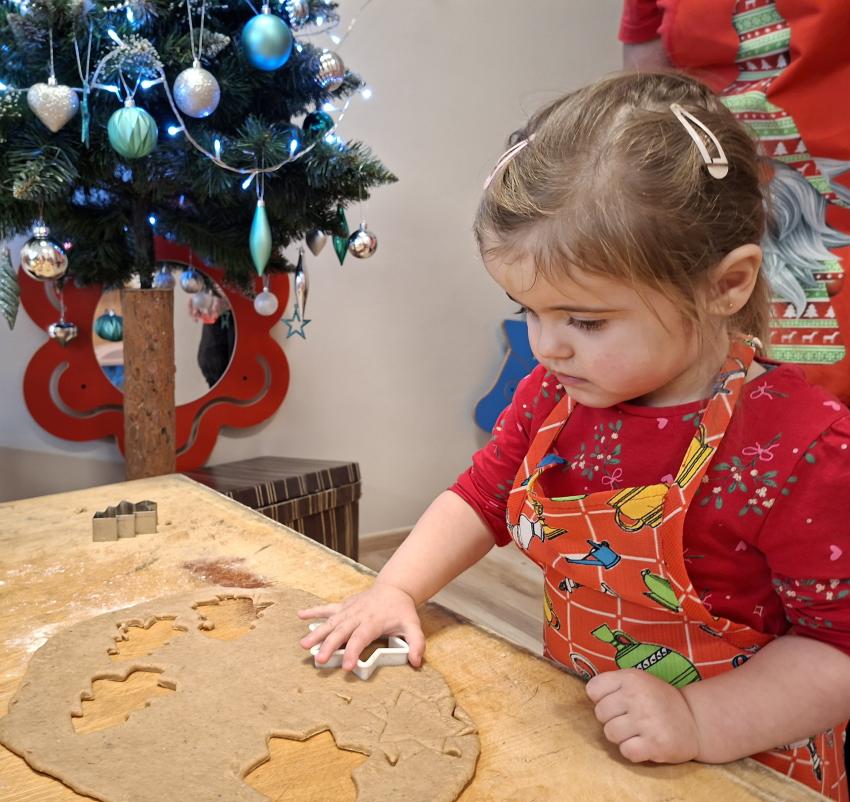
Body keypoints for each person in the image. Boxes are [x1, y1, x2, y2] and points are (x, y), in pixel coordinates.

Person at [299, 71, 850, 801]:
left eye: (585, 321)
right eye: (526, 310)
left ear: (727, 285)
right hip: (596, 737)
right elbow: (480, 498)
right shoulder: (554, 394)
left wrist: (697, 720)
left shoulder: (801, 448)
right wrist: (397, 587)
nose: (546, 345)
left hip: (744, 763)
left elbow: (836, 650)